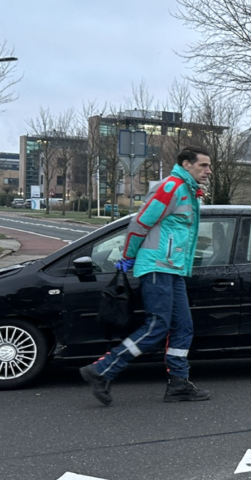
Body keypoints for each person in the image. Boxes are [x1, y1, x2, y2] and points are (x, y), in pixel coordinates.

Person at [79, 146, 213, 405]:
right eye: (203, 165)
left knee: (183, 327)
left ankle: (178, 384)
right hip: (156, 267)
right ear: (187, 164)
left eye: (208, 166)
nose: (208, 170)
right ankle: (101, 370)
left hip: (172, 269)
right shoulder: (171, 187)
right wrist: (128, 256)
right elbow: (140, 222)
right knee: (157, 326)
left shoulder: (187, 190)